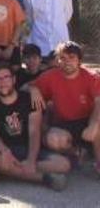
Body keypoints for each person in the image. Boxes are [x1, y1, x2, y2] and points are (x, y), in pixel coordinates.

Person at [0, 65, 70, 191]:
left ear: (14, 79)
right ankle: (44, 178)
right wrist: (4, 151)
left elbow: (34, 132)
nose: (2, 82)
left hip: (28, 148)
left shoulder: (28, 99)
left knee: (63, 164)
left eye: (6, 77)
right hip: (6, 149)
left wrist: (31, 160)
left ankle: (5, 172)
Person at [28, 41, 100, 174]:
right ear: (58, 60)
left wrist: (93, 125)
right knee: (52, 140)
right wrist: (33, 89)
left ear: (79, 60)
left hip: (87, 120)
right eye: (63, 58)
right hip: (63, 124)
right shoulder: (50, 76)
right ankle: (76, 152)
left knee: (98, 124)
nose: (67, 62)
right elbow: (30, 85)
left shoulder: (91, 77)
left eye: (72, 57)